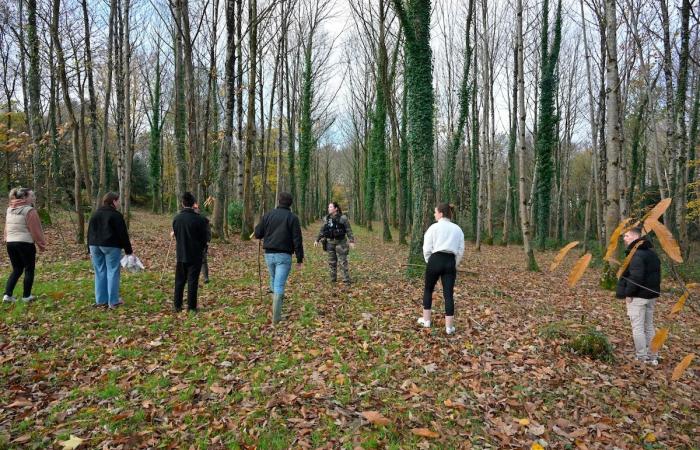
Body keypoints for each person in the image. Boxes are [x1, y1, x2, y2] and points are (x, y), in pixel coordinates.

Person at [254, 192, 304, 324]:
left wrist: (261, 223)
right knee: (279, 283)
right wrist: (299, 258)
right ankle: (276, 317)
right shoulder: (293, 218)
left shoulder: (268, 215)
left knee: (274, 279)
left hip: (269, 255)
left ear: (278, 201)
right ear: (290, 204)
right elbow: (297, 239)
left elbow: (258, 233)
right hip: (284, 256)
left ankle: (274, 306)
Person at [615, 226, 661, 365]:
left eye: (627, 236)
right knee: (649, 327)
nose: (624, 238)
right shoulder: (652, 253)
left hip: (638, 297)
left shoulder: (637, 255)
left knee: (638, 327)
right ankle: (653, 357)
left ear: (636, 237)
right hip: (651, 296)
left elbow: (635, 277)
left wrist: (628, 293)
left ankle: (642, 357)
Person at [417, 203, 465, 335]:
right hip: (450, 261)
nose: (434, 214)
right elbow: (460, 250)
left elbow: (426, 248)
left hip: (435, 259)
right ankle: (449, 328)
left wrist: (430, 261)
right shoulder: (457, 229)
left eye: (435, 212)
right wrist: (454, 263)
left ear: (441, 213)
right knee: (448, 294)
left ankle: (426, 321)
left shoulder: (433, 228)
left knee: (428, 289)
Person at [87, 192, 133, 309]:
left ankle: (101, 300)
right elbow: (123, 234)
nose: (119, 203)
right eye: (118, 201)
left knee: (99, 272)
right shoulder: (116, 215)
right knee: (112, 271)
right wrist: (128, 250)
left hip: (94, 245)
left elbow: (89, 232)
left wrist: (89, 248)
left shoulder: (95, 214)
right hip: (111, 245)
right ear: (113, 201)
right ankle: (113, 301)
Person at [3, 188, 47, 303]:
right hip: (25, 243)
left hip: (10, 243)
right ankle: (26, 296)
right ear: (24, 198)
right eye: (32, 196)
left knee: (17, 269)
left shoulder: (9, 209)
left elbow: (6, 228)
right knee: (29, 269)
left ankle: (7, 295)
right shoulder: (29, 210)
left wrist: (6, 239)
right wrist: (41, 245)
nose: (34, 198)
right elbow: (36, 230)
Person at [172, 192, 210, 312]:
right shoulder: (199, 220)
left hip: (181, 254)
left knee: (179, 281)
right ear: (193, 204)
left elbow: (176, 235)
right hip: (195, 255)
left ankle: (177, 305)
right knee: (192, 281)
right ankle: (191, 307)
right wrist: (201, 248)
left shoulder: (177, 219)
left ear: (183, 204)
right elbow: (204, 239)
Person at [314, 202, 355, 284]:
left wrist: (351, 241)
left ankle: (346, 280)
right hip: (330, 243)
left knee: (343, 261)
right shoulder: (326, 218)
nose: (328, 208)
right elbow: (322, 230)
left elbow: (348, 230)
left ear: (336, 208)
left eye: (330, 207)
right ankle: (333, 279)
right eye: (328, 207)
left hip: (341, 243)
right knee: (332, 262)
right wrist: (317, 240)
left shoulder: (343, 218)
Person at [193, 202, 212, 284]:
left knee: (203, 260)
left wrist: (208, 240)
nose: (196, 210)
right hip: (192, 243)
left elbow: (208, 231)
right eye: (194, 208)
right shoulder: (190, 219)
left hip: (202, 243)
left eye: (197, 208)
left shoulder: (203, 219)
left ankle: (206, 277)